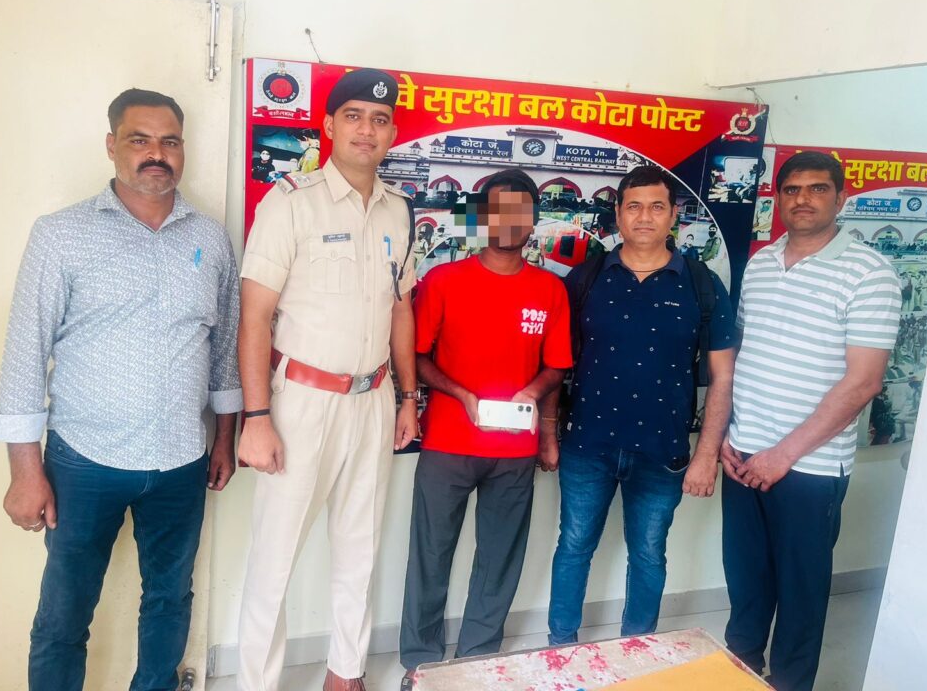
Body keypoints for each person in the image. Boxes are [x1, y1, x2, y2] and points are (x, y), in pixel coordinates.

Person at [0, 88, 242, 691]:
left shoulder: (210, 239)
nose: (157, 154)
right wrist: (25, 472)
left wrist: (224, 440)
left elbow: (225, 349)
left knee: (169, 601)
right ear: (111, 146)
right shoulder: (61, 235)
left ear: (183, 150)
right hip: (84, 463)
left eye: (170, 141)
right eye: (139, 139)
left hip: (182, 460)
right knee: (63, 618)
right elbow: (24, 356)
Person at [237, 68, 418, 691]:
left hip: (374, 399)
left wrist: (408, 396)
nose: (367, 129)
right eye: (354, 116)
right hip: (302, 403)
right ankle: (257, 683)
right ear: (329, 125)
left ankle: (346, 671)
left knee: (360, 545)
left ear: (392, 132)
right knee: (274, 558)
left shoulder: (398, 210)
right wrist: (256, 418)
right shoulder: (291, 201)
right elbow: (255, 316)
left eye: (380, 120)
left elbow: (400, 308)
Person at [722, 150, 902, 691]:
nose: (803, 199)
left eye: (818, 189)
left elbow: (864, 382)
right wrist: (729, 434)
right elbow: (744, 354)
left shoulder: (870, 272)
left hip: (811, 467)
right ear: (778, 198)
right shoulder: (760, 263)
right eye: (792, 189)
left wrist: (783, 454)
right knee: (746, 585)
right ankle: (737, 676)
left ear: (840, 197)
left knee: (800, 596)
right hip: (743, 454)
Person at [548, 165, 736, 643]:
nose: (645, 217)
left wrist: (706, 455)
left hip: (662, 451)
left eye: (657, 207)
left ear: (673, 215)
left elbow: (723, 377)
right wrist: (548, 432)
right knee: (573, 547)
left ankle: (637, 649)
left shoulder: (701, 285)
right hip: (587, 446)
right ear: (618, 214)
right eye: (634, 206)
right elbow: (554, 363)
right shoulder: (586, 278)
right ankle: (560, 647)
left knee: (649, 554)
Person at [398, 170, 572, 689]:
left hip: (514, 452)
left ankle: (477, 660)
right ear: (481, 217)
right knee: (430, 554)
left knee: (499, 559)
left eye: (521, 210)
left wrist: (535, 400)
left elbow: (557, 365)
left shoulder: (550, 290)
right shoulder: (444, 281)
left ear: (534, 220)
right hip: (448, 443)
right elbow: (416, 357)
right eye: (498, 209)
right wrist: (461, 394)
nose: (509, 220)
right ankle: (421, 662)